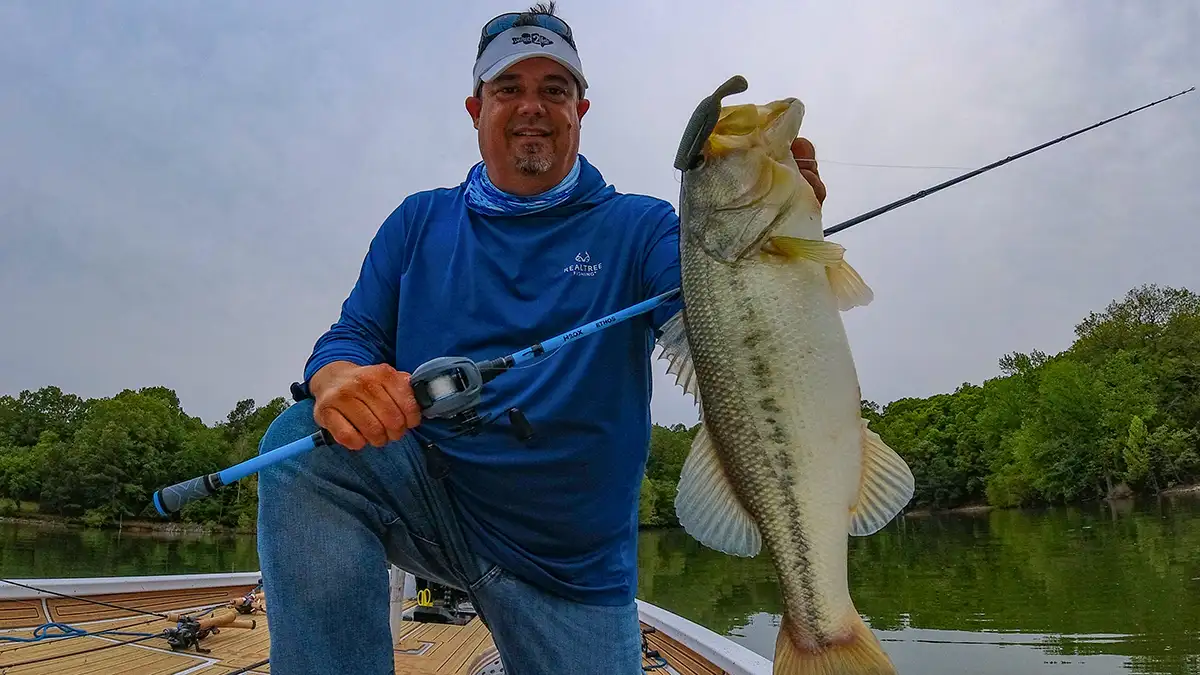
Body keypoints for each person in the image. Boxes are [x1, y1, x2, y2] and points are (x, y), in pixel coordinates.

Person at [255, 4, 827, 674]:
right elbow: (352, 334)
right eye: (509, 88)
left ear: (581, 109)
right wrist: (337, 378)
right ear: (476, 108)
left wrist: (775, 239)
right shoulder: (416, 222)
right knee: (299, 449)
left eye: (553, 90)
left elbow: (724, 329)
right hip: (432, 505)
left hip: (570, 563)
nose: (532, 106)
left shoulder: (642, 228)